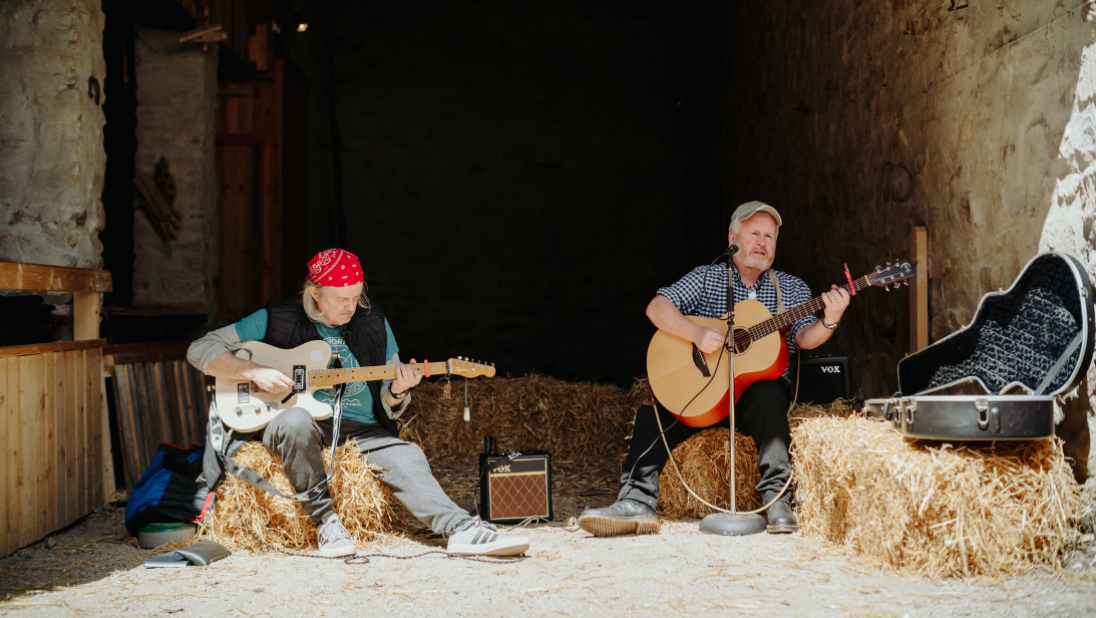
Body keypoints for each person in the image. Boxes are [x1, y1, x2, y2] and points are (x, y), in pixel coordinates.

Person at [187, 248, 529, 557]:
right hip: (293, 420)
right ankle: (326, 523)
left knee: (406, 454)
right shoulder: (276, 317)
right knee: (295, 421)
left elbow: (388, 395)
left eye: (356, 296)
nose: (351, 306)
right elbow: (199, 349)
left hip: (360, 428)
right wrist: (254, 371)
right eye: (341, 299)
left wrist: (397, 391)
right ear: (315, 295)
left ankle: (460, 529)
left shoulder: (373, 321)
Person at [577, 202, 850, 535]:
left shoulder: (791, 288)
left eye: (770, 236)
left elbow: (806, 338)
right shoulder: (707, 277)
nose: (762, 242)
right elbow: (657, 307)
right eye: (754, 234)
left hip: (754, 397)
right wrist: (694, 333)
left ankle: (778, 500)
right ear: (733, 237)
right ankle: (637, 503)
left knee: (769, 394)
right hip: (707, 391)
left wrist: (830, 318)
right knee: (654, 413)